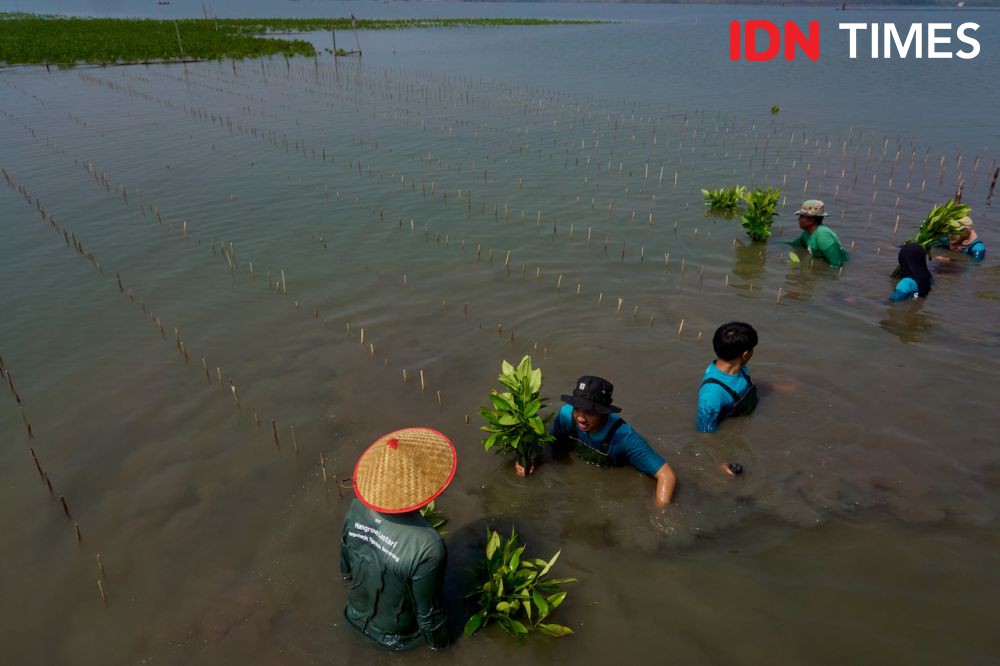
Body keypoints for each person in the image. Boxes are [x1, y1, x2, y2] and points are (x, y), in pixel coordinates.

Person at [340, 427, 457, 651]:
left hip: (352, 615)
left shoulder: (356, 506)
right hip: (398, 639)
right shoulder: (428, 545)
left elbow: (346, 567)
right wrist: (445, 652)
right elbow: (429, 618)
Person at [517, 376, 676, 507]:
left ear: (604, 413)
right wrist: (533, 460)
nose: (580, 418)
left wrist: (659, 514)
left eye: (590, 413)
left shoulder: (624, 437)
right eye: (577, 408)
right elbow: (551, 445)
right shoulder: (566, 416)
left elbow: (667, 475)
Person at [697, 322, 759, 436]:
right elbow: (705, 435)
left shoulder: (740, 367)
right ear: (745, 354)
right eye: (752, 349)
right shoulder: (712, 395)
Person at [786, 199, 848, 268]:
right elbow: (793, 245)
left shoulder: (823, 236)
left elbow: (837, 265)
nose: (799, 219)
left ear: (811, 220)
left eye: (801, 216)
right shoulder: (806, 233)